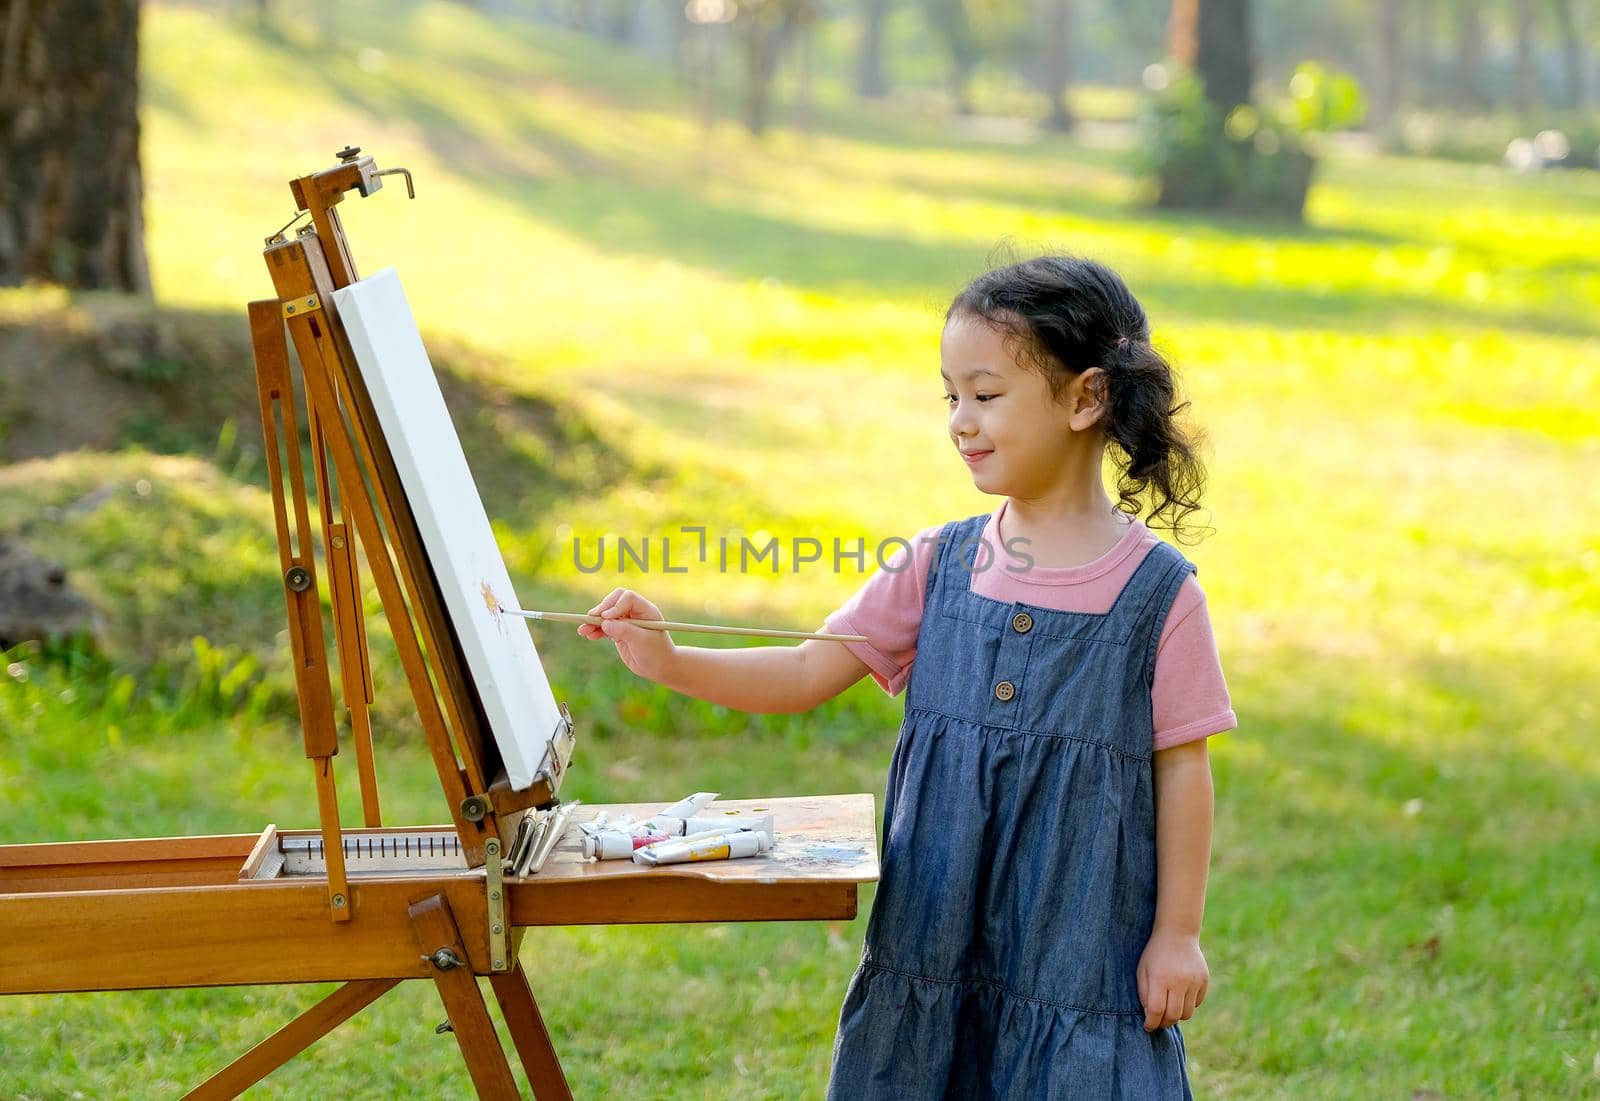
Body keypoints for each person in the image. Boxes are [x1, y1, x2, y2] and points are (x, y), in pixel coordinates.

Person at [578, 255, 1236, 1099]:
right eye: (950, 395)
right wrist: (669, 659)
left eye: (987, 394)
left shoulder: (1160, 594)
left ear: (1087, 398)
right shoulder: (940, 562)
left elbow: (1183, 764)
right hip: (934, 938)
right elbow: (809, 668)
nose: (961, 420)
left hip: (1084, 958)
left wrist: (1176, 934)